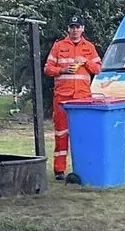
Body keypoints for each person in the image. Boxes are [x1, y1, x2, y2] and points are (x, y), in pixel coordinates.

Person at [43, 16, 102, 181]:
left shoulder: (89, 47)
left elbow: (98, 69)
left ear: (82, 29)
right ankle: (59, 170)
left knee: (83, 134)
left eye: (78, 27)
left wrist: (85, 62)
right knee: (61, 134)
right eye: (72, 27)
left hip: (82, 99)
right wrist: (62, 70)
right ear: (68, 29)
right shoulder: (59, 46)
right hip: (62, 98)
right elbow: (48, 68)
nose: (75, 30)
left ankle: (84, 168)